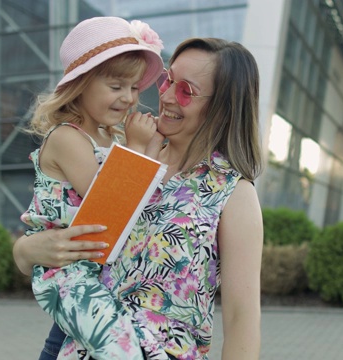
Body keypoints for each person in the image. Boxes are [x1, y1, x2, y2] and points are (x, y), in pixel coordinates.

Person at [14, 37, 264, 360]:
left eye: (186, 90)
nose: (167, 96)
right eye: (167, 80)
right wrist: (25, 250)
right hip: (70, 346)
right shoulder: (124, 152)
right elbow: (63, 223)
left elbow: (241, 318)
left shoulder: (233, 193)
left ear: (223, 105)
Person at [19, 16, 165, 360]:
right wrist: (137, 147)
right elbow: (109, 203)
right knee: (121, 349)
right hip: (66, 273)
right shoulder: (69, 137)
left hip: (98, 272)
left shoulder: (108, 136)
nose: (129, 98)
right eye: (116, 87)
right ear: (81, 84)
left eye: (134, 88)